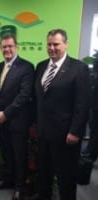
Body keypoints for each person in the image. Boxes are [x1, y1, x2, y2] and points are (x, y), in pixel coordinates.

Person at [34, 29, 90, 200]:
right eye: (49, 44)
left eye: (56, 44)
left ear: (66, 44)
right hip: (43, 133)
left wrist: (75, 131)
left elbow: (82, 104)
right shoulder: (41, 66)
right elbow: (38, 99)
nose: (52, 48)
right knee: (44, 173)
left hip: (66, 135)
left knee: (66, 178)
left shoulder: (79, 68)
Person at [0, 34, 34, 200]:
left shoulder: (27, 67)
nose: (7, 49)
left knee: (19, 155)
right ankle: (8, 180)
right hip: (1, 121)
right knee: (6, 153)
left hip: (17, 121)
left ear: (17, 47)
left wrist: (6, 113)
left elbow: (24, 95)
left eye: (10, 46)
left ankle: (19, 187)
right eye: (4, 47)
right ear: (0, 48)